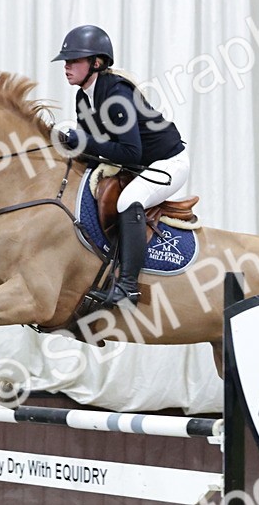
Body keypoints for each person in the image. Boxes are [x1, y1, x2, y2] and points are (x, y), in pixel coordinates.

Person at [51, 25, 190, 307]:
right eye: (66, 61)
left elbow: (129, 152)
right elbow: (92, 153)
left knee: (129, 200)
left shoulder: (116, 94)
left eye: (74, 61)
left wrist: (85, 142)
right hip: (139, 165)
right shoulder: (83, 97)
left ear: (96, 63)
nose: (66, 67)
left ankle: (129, 287)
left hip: (167, 164)